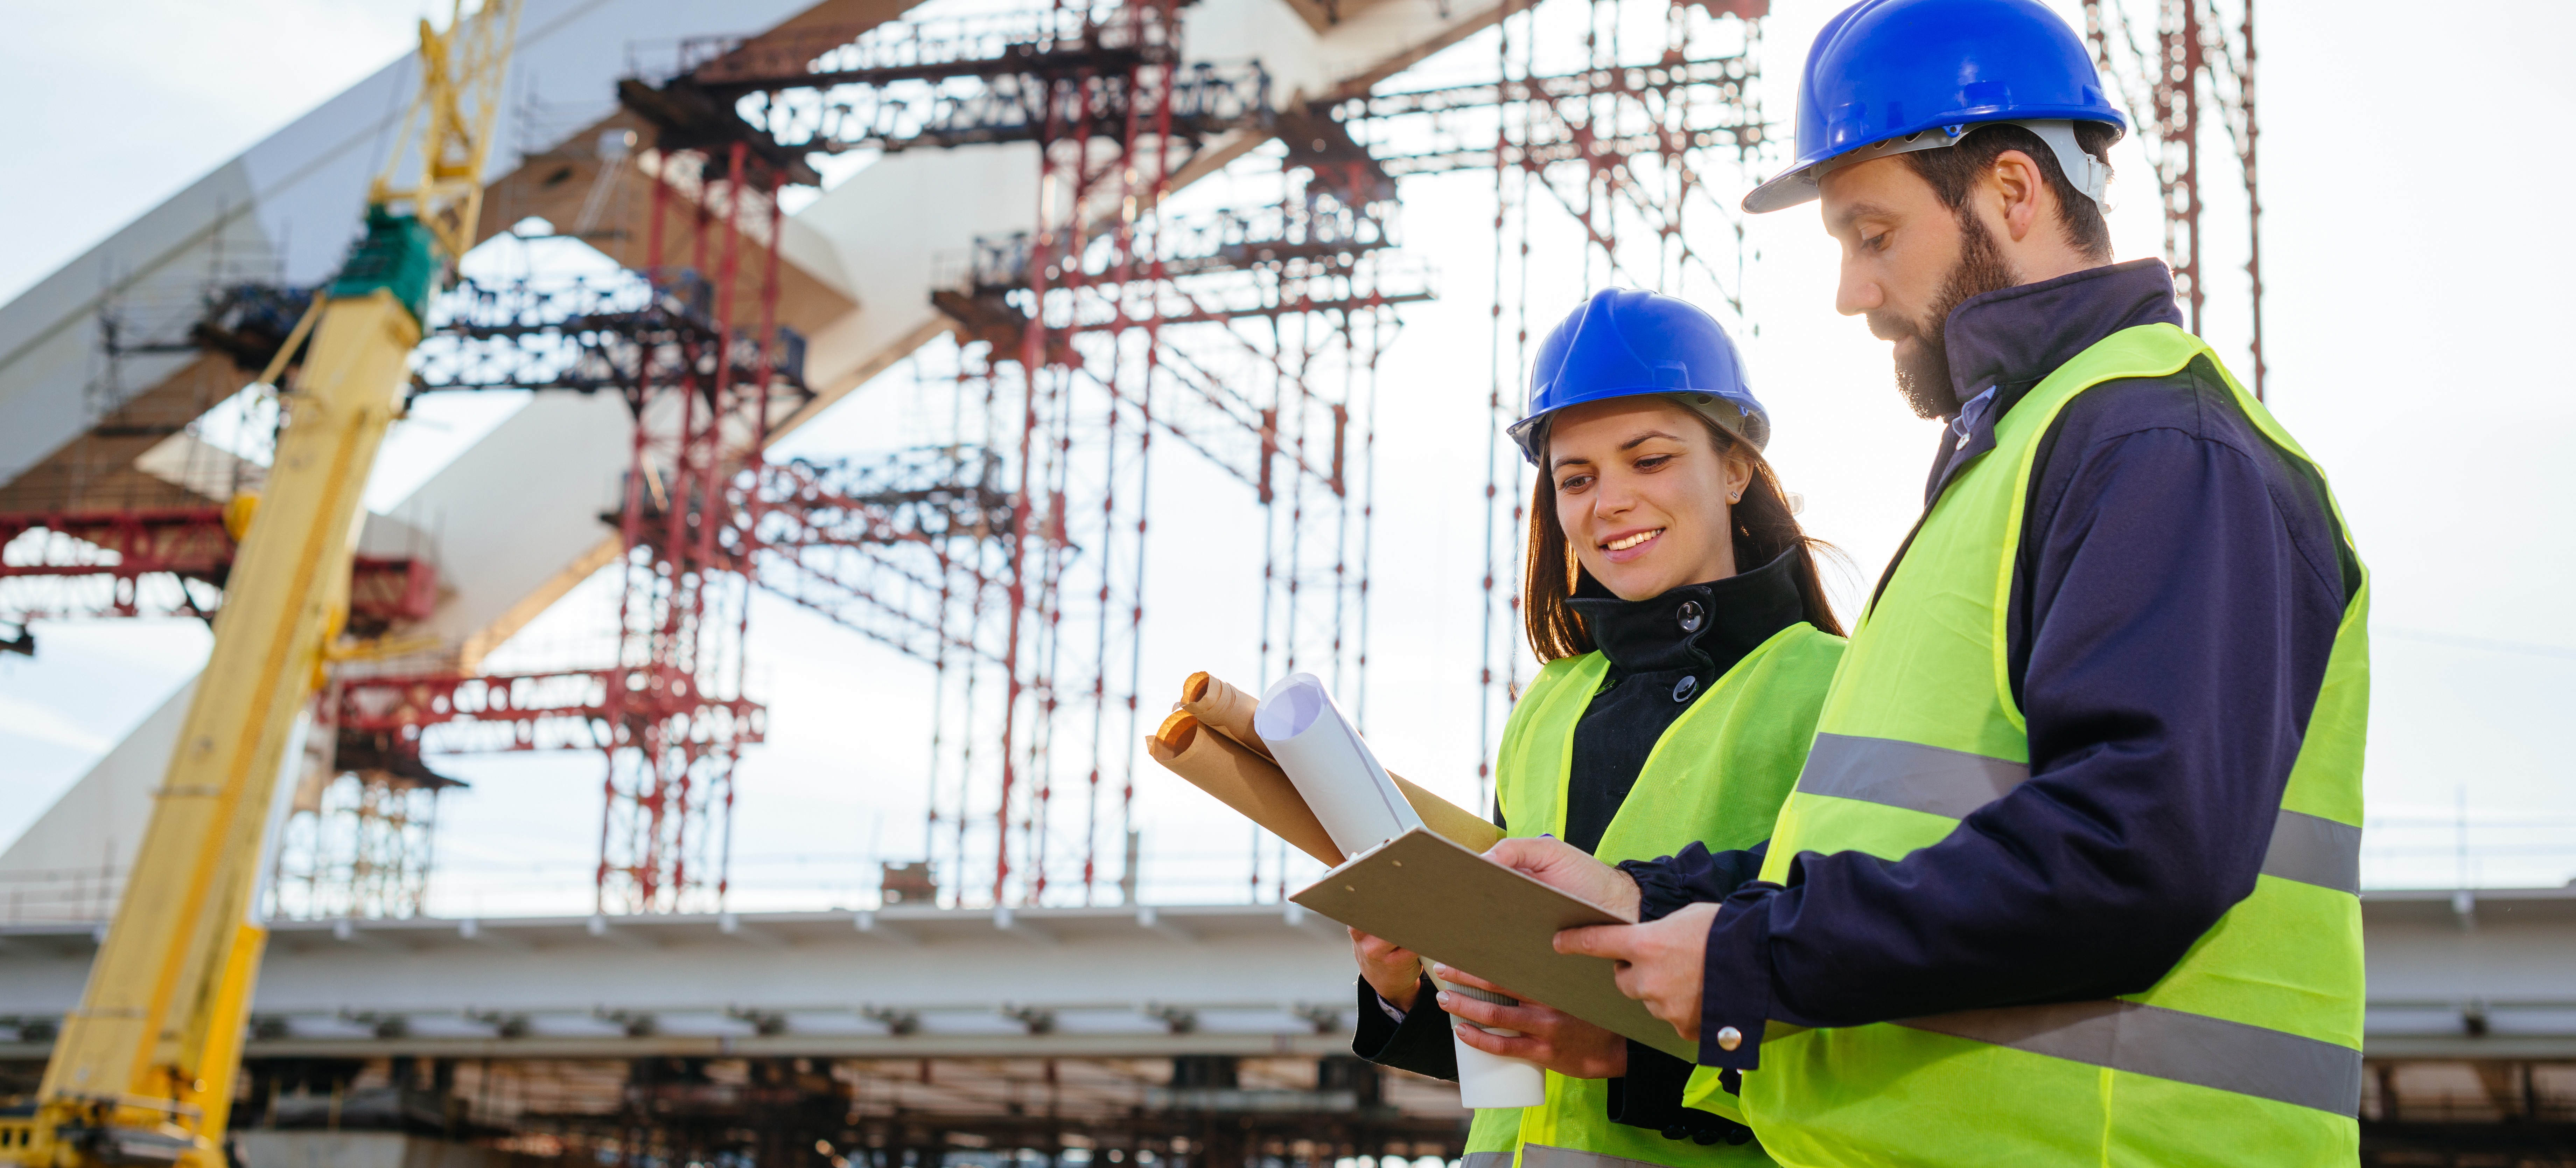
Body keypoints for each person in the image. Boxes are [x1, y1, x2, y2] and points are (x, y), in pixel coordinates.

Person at [1490, 0, 2371, 1164]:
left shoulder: (2162, 446)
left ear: (2012, 190)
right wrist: (1635, 902)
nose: (1853, 292)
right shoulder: (2024, 462)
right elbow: (1893, 842)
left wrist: (1756, 960)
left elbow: (2134, 849)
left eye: (1872, 233)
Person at [1348, 288, 1848, 1168]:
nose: (1607, 501)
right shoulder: (1547, 703)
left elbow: (1859, 987)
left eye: (1648, 460)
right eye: (1574, 478)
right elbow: (1516, 1035)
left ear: (1734, 469)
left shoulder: (1834, 687)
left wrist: (1628, 1063)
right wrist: (1405, 989)